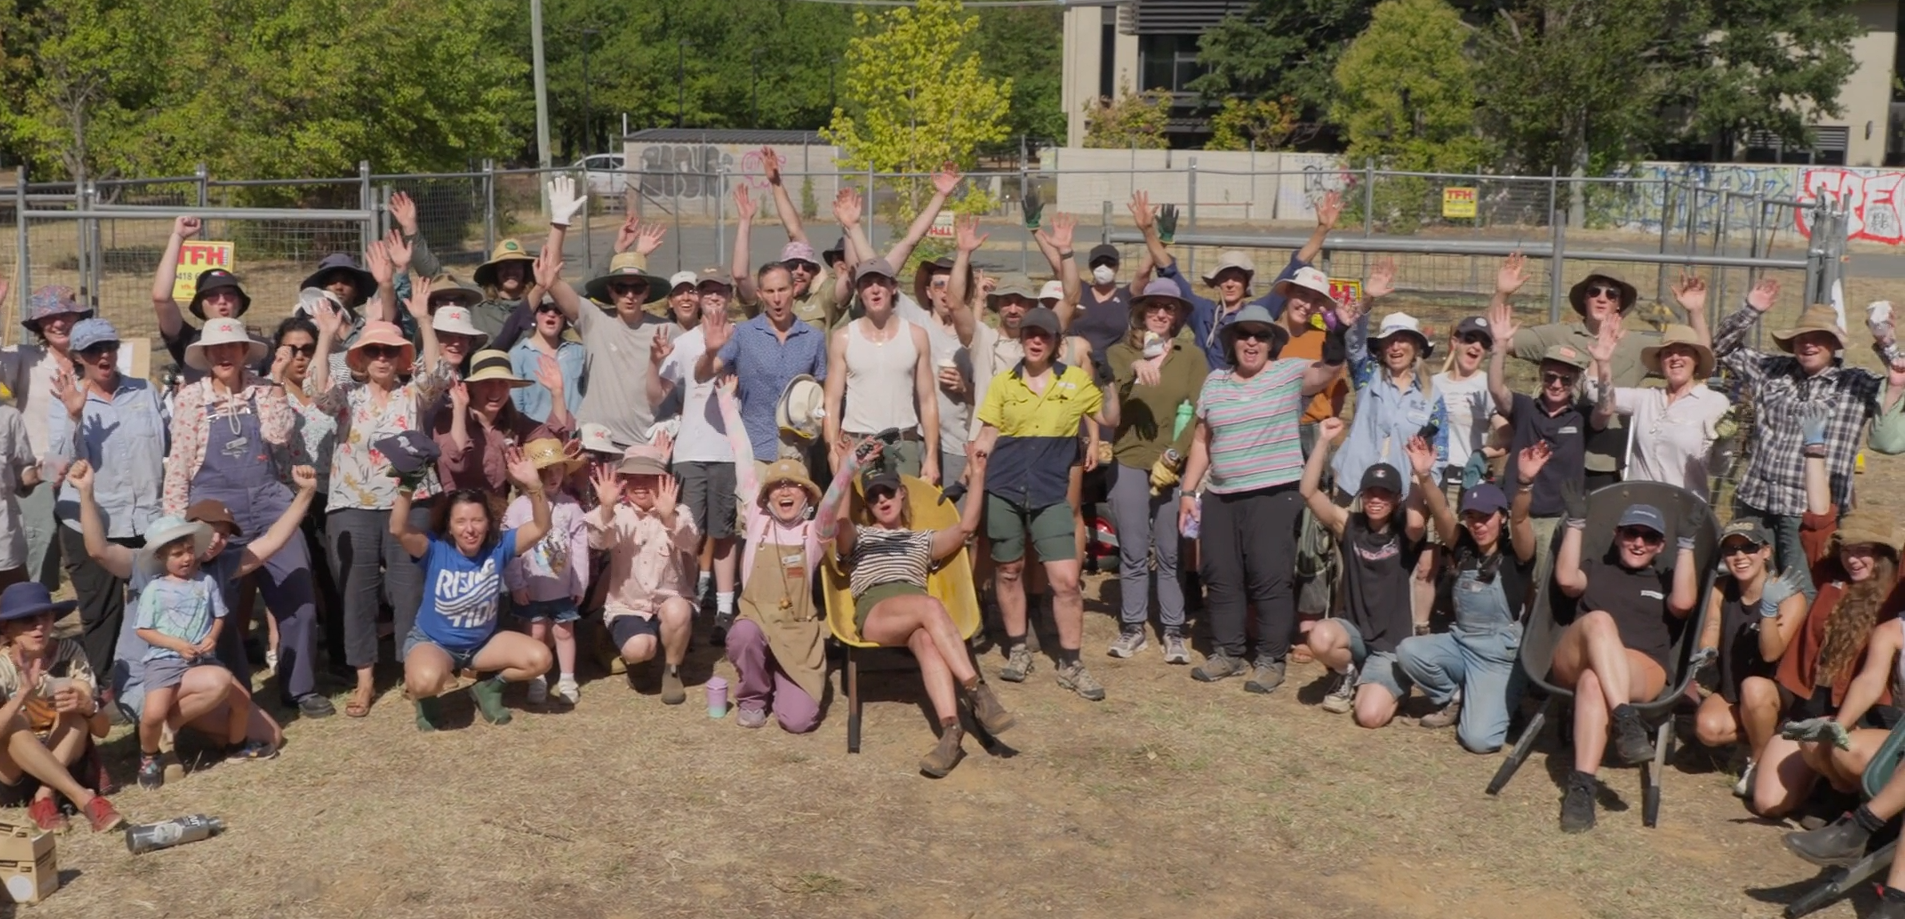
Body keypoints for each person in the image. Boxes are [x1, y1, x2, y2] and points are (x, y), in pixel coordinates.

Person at [76, 461, 299, 780]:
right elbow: (98, 550)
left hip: (193, 674)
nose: (216, 541)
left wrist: (303, 495)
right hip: (148, 677)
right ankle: (159, 737)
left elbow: (271, 542)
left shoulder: (216, 570)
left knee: (271, 737)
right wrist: (86, 492)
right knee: (216, 686)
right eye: (211, 532)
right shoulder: (144, 569)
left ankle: (168, 727)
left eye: (222, 535)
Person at [1177, 301, 1356, 694]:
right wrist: (1189, 490)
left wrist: (1338, 334)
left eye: (1261, 335)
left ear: (1272, 343)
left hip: (1274, 493)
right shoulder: (1215, 383)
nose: (1252, 342)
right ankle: (1228, 651)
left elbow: (1328, 369)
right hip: (1221, 494)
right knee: (1221, 576)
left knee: (1269, 578)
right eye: (1244, 335)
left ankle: (1271, 659)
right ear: (1232, 342)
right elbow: (1203, 440)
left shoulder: (1289, 372)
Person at [161, 316, 333, 717]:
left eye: (232, 348)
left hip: (270, 501)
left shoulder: (265, 389)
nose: (224, 355)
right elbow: (180, 468)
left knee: (299, 597)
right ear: (205, 355)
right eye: (216, 349)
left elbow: (279, 435)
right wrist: (174, 529)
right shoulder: (190, 399)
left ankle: (299, 687)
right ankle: (233, 694)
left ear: (243, 353)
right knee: (216, 604)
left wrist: (272, 385)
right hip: (212, 509)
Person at [826, 441, 1013, 777]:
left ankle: (950, 732)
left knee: (927, 641)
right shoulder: (861, 537)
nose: (881, 500)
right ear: (867, 505)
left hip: (917, 615)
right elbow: (839, 521)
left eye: (887, 492)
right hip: (876, 612)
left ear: (902, 495)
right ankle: (977, 691)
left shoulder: (922, 540)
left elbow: (966, 528)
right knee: (929, 606)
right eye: (873, 496)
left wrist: (979, 472)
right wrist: (846, 466)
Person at [309, 281, 449, 719]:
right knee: (356, 593)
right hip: (352, 505)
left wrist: (424, 320)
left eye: (390, 352)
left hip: (410, 503)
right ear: (362, 359)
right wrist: (326, 337)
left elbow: (438, 375)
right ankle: (364, 678)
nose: (382, 359)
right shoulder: (347, 398)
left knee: (410, 590)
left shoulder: (413, 396)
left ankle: (412, 668)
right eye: (374, 352)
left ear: (401, 358)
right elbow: (317, 390)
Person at [974, 307, 1121, 700]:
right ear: (1021, 339)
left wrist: (1106, 377)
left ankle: (1072, 663)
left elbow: (1109, 415)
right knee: (1008, 571)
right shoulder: (1002, 383)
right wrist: (972, 471)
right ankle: (1018, 649)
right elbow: (988, 432)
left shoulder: (1074, 380)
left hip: (1050, 492)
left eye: (1044, 335)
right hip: (1004, 488)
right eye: (1029, 334)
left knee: (1067, 581)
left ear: (1057, 342)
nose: (1035, 341)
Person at [1716, 284, 1905, 583]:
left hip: (1810, 514)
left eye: (1819, 338)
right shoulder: (1772, 369)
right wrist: (1751, 309)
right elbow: (1722, 349)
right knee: (1749, 585)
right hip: (1756, 500)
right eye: (1801, 338)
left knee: (1804, 589)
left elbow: (1900, 376)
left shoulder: (1854, 383)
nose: (1808, 345)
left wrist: (1886, 341)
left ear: (1834, 344)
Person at [1548, 484, 1700, 833]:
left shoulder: (1664, 581)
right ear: (1618, 535)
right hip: (1578, 655)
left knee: (1593, 681)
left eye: (1650, 538)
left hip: (1639, 666)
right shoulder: (1596, 569)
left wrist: (1687, 546)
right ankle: (1626, 720)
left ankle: (1582, 788)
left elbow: (1684, 604)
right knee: (1600, 621)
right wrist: (1575, 522)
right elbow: (1567, 580)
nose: (1639, 543)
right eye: (1632, 533)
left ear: (1661, 545)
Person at [715, 378, 849, 732]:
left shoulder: (813, 534)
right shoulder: (757, 520)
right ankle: (754, 695)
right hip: (757, 622)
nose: (785, 492)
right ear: (766, 496)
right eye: (777, 487)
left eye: (794, 487)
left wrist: (849, 468)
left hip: (797, 635)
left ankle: (782, 674)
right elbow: (743, 455)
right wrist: (726, 402)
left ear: (807, 497)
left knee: (799, 722)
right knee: (742, 635)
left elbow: (833, 504)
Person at [393, 447, 554, 731]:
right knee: (424, 680)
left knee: (540, 659)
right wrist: (406, 486)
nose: (470, 529)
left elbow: (541, 526)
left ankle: (489, 688)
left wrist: (534, 486)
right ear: (450, 526)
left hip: (481, 644)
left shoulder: (499, 547)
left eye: (477, 520)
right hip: (434, 643)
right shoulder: (434, 549)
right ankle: (426, 700)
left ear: (488, 521)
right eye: (461, 521)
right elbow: (398, 529)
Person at [1396, 447, 1539, 750]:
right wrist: (1423, 475)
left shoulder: (1518, 555)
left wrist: (1525, 485)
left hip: (1497, 659)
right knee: (1409, 651)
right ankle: (1455, 697)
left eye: (1486, 517)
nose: (1478, 524)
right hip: (1460, 644)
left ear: (1501, 518)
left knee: (1478, 740)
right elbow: (1441, 512)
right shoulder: (1463, 548)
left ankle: (1505, 705)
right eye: (1471, 517)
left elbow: (1521, 519)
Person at [47, 318, 166, 682]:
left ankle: (156, 678)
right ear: (77, 357)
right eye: (92, 350)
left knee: (155, 602)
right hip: (93, 522)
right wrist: (74, 416)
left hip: (149, 518)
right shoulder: (63, 402)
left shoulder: (145, 391)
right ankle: (100, 688)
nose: (103, 355)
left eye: (109, 347)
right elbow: (59, 464)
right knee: (101, 612)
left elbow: (169, 444)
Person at [131, 510, 279, 789]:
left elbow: (219, 615)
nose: (186, 558)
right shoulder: (155, 589)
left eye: (189, 550)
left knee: (241, 699)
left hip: (201, 660)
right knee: (152, 715)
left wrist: (212, 637)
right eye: (177, 554)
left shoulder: (206, 582)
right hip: (164, 661)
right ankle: (149, 756)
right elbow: (143, 630)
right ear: (162, 558)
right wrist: (176, 644)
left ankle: (235, 747)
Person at [1102, 278, 1208, 664]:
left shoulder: (1191, 357)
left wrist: (1176, 456)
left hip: (1172, 466)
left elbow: (1201, 411)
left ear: (1178, 315)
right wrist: (1135, 367)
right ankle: (1132, 627)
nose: (1161, 314)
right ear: (1140, 312)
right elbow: (1111, 401)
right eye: (1154, 307)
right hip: (1129, 459)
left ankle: (1174, 630)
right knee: (1131, 550)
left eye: (1169, 308)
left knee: (1170, 551)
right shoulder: (1118, 354)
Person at [1300, 421, 1428, 727]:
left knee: (1369, 717)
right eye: (1370, 492)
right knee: (1319, 637)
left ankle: (1394, 684)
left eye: (1385, 494)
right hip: (1355, 633)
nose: (1376, 499)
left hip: (1391, 644)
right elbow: (1308, 491)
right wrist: (1322, 442)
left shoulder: (1405, 534)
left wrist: (1417, 472)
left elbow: (1416, 521)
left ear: (1397, 498)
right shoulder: (1351, 526)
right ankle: (1350, 673)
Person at [1498, 255, 1660, 491]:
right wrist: (1502, 294)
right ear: (1585, 298)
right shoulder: (1559, 335)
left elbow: (1694, 360)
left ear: (1619, 304)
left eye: (1611, 294)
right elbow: (1498, 338)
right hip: (1554, 456)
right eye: (1595, 292)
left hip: (1603, 462)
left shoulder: (1637, 346)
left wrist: (1694, 310)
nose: (1602, 298)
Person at [1145, 189, 1343, 370]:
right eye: (1224, 277)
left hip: (1243, 397)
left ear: (1247, 284)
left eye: (1237, 278)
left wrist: (1322, 230)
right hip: (1205, 396)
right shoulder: (1203, 312)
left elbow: (1297, 265)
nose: (1230, 284)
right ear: (1216, 282)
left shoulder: (1257, 312)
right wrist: (1149, 233)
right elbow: (1168, 270)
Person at [540, 180, 671, 449]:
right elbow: (550, 278)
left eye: (636, 288)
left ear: (647, 292)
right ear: (610, 291)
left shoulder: (667, 330)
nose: (629, 295)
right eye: (622, 288)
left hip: (643, 445)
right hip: (595, 442)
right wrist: (560, 223)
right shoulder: (593, 319)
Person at [1487, 288, 1596, 592]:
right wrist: (1498, 345)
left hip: (1556, 516)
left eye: (1565, 379)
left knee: (1546, 587)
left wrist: (1605, 363)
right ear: (1541, 376)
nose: (1557, 384)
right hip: (1516, 509)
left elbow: (1607, 408)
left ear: (1575, 382)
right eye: (1550, 376)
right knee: (1510, 583)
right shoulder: (1523, 408)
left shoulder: (1582, 416)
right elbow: (1496, 389)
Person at [1692, 519, 1810, 798]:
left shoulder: (1790, 596)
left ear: (1766, 551)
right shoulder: (1721, 588)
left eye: (1748, 547)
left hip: (1776, 693)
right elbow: (1711, 626)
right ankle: (1768, 737)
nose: (1740, 556)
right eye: (1731, 550)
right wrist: (1707, 651)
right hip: (1735, 689)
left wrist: (1768, 610)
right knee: (1706, 729)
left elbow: (1772, 652)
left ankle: (1758, 763)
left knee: (1754, 688)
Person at [0, 582, 124, 832]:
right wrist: (22, 694)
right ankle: (84, 798)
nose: (39, 626)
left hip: (64, 761)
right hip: (14, 773)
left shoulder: (69, 653)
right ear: (7, 628)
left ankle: (44, 797)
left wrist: (89, 707)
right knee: (15, 721)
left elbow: (102, 730)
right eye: (27, 620)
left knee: (76, 711)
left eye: (45, 616)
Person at [653, 289, 741, 641]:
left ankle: (723, 608)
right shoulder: (685, 341)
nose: (715, 299)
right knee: (688, 533)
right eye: (708, 292)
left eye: (722, 292)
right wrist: (653, 361)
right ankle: (686, 603)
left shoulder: (743, 335)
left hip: (729, 449)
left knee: (724, 533)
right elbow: (660, 392)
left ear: (730, 297)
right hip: (690, 449)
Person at [587, 445, 698, 705]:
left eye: (648, 478)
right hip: (628, 605)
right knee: (640, 648)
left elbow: (690, 543)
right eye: (633, 478)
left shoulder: (680, 512)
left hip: (668, 600)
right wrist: (605, 508)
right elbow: (597, 541)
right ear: (623, 482)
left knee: (678, 610)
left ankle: (672, 669)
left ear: (662, 481)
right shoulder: (618, 514)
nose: (640, 485)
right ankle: (636, 663)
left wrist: (669, 517)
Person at [693, 262, 830, 470]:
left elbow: (822, 396)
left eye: (782, 290)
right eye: (770, 291)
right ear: (760, 294)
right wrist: (711, 351)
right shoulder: (744, 334)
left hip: (798, 454)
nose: (777, 298)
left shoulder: (814, 339)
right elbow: (702, 376)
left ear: (794, 289)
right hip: (754, 453)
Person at [0, 283, 92, 592]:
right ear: (39, 325)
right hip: (39, 471)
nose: (57, 323)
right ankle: (32, 627)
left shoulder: (95, 361)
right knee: (40, 550)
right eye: (48, 317)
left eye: (65, 314)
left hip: (87, 469)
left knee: (88, 557)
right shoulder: (26, 358)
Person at [267, 316, 345, 675]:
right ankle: (296, 660)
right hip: (287, 498)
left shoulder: (330, 386)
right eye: (291, 349)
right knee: (298, 580)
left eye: (307, 349)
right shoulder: (267, 392)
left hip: (332, 494)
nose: (300, 357)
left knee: (334, 576)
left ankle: (342, 655)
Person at [1419, 315, 1505, 631]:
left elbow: (1507, 435)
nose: (1476, 346)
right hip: (1435, 478)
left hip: (1470, 482)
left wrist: (1483, 453)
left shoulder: (1487, 386)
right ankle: (1421, 628)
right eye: (1469, 339)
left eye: (1483, 342)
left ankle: (1466, 624)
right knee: (1427, 563)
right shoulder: (1434, 383)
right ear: (1455, 342)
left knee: (1465, 559)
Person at [823, 258, 940, 482]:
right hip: (858, 444)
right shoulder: (843, 338)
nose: (875, 290)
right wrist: (831, 451)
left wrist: (932, 455)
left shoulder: (916, 335)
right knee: (857, 515)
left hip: (903, 444)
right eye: (867, 284)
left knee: (906, 513)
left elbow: (927, 400)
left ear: (893, 287)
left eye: (881, 282)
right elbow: (832, 401)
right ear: (859, 291)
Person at [1588, 321, 1729, 502]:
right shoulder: (1646, 398)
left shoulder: (1714, 403)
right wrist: (1602, 362)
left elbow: (1718, 469)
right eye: (1668, 353)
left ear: (1697, 360)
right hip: (1638, 509)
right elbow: (1596, 395)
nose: (1675, 358)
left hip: (1683, 509)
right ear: (1661, 362)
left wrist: (1724, 444)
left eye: (1684, 351)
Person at [503, 439, 590, 706]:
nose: (553, 476)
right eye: (545, 470)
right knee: (536, 632)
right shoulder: (518, 508)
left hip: (562, 587)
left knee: (564, 631)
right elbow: (510, 550)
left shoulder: (571, 508)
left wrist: (579, 584)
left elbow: (579, 548)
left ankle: (566, 677)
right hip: (531, 588)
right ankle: (537, 678)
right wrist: (516, 584)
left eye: (558, 469)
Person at [433, 350, 559, 499]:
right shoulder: (448, 417)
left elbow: (555, 444)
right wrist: (460, 408)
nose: (496, 390)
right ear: (472, 386)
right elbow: (456, 463)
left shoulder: (513, 420)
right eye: (487, 382)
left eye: (502, 383)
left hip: (497, 513)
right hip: (456, 513)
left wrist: (557, 394)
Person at [149, 216, 254, 370]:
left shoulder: (258, 346)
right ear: (200, 305)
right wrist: (178, 237)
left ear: (239, 303)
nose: (222, 301)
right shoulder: (190, 341)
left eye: (229, 294)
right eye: (212, 295)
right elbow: (161, 298)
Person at [509, 296, 585, 426]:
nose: (551, 314)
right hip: (537, 438)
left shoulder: (579, 352)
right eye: (544, 309)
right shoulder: (517, 355)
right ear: (534, 315)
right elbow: (515, 406)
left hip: (577, 436)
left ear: (564, 318)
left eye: (558, 310)